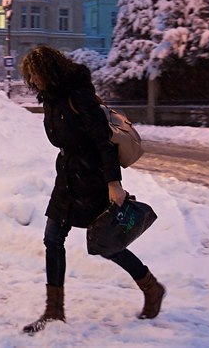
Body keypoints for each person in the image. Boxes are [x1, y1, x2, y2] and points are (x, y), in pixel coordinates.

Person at [20, 46, 166, 335]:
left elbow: (104, 142)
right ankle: (54, 311)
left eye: (34, 74)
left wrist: (114, 183)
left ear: (48, 70)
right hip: (67, 177)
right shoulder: (50, 98)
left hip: (92, 177)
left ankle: (151, 287)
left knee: (106, 244)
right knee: (53, 238)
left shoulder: (78, 95)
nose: (32, 81)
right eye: (29, 76)